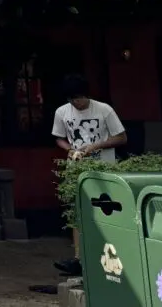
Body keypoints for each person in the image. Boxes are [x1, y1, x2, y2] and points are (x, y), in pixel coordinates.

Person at [51, 73, 126, 277]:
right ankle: (78, 258)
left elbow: (121, 137)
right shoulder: (62, 112)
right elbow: (59, 138)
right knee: (78, 211)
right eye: (72, 100)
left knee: (106, 209)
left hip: (104, 168)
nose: (77, 103)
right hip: (77, 168)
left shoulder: (104, 109)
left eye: (79, 98)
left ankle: (112, 254)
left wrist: (96, 146)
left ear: (87, 95)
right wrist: (70, 150)